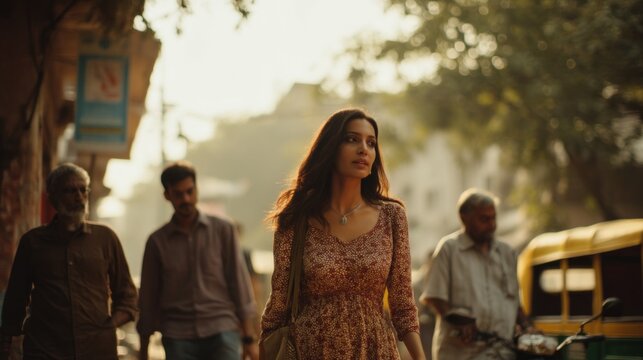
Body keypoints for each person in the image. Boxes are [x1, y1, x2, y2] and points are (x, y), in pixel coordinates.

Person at [260, 108, 426, 359]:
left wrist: (420, 357)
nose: (364, 149)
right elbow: (279, 303)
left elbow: (403, 304)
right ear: (330, 148)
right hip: (312, 349)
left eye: (371, 143)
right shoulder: (296, 218)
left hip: (375, 349)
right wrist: (264, 346)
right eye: (352, 139)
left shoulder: (392, 216)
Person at [0, 163, 138, 359]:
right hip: (45, 349)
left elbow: (127, 295)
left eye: (83, 190)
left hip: (97, 350)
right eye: (70, 191)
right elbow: (16, 297)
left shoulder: (105, 238)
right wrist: (6, 342)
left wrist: (108, 325)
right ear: (54, 198)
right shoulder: (33, 242)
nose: (79, 197)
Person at [137, 161, 259, 360]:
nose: (186, 199)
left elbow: (239, 283)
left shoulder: (223, 230)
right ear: (167, 196)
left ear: (196, 190)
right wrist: (143, 349)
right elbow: (148, 296)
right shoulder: (157, 242)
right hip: (177, 335)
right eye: (178, 194)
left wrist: (249, 339)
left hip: (222, 329)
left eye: (190, 191)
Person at [420, 189, 536, 360]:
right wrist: (458, 321)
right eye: (484, 219)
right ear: (464, 217)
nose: (491, 225)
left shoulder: (507, 253)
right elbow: (434, 297)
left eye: (493, 218)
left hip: (504, 352)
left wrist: (528, 327)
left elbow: (515, 303)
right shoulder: (449, 249)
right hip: (463, 353)